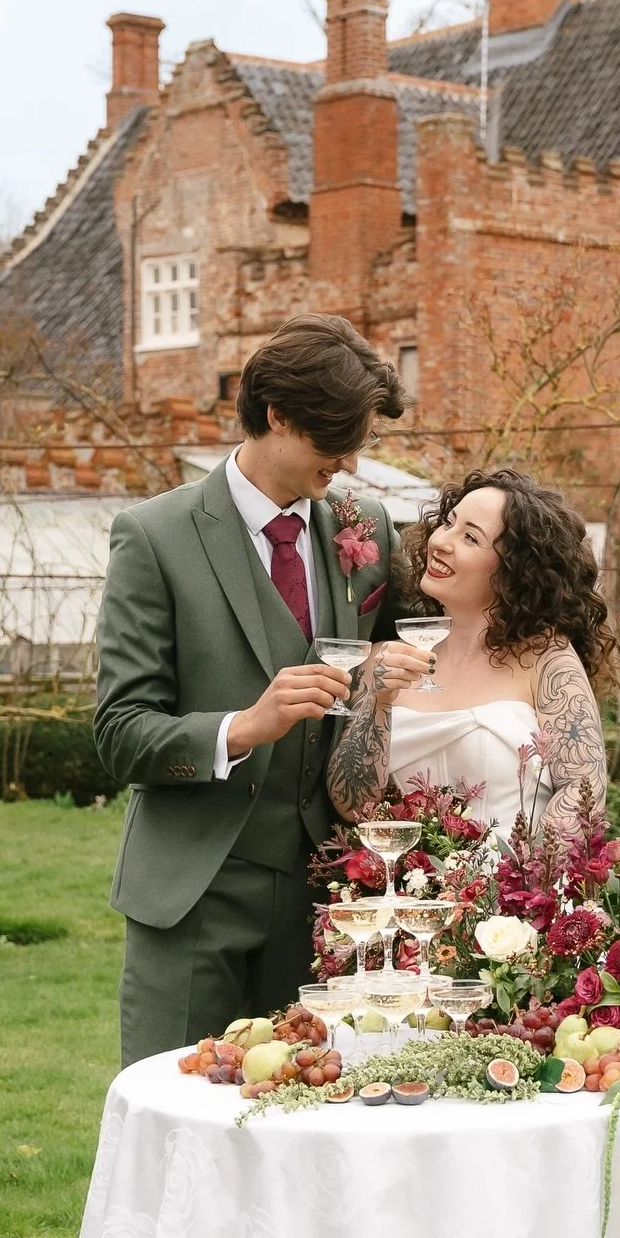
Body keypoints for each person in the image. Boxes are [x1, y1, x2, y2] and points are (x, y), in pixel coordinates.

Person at [95, 314, 404, 1065]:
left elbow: (412, 653)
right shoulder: (155, 537)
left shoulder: (366, 528)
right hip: (195, 890)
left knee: (306, 1131)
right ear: (277, 415)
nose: (351, 460)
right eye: (335, 438)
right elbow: (120, 732)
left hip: (326, 897)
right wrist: (243, 726)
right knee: (177, 1120)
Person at [327, 466, 616, 835]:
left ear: (514, 570)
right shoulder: (383, 660)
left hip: (512, 885)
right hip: (398, 886)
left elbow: (582, 792)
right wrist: (379, 703)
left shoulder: (547, 659)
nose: (441, 542)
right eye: (448, 523)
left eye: (470, 538)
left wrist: (520, 884)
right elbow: (353, 807)